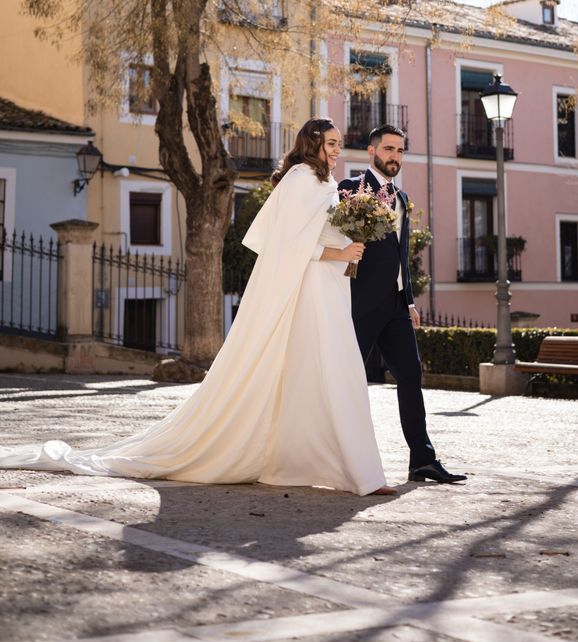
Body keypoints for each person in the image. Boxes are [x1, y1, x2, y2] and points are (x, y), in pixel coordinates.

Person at [0, 119, 394, 497]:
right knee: (334, 370)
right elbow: (287, 243)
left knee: (329, 373)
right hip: (309, 289)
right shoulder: (301, 179)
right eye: (331, 143)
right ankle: (359, 473)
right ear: (312, 144)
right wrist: (338, 251)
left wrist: (349, 246)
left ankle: (324, 465)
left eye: (339, 143)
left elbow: (317, 232)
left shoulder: (324, 181)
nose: (338, 149)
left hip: (329, 288)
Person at [338, 125, 467, 485]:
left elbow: (401, 255)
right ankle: (339, 457)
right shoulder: (350, 189)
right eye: (389, 149)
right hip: (359, 302)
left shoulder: (402, 197)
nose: (396, 156)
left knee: (411, 375)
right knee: (346, 380)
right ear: (371, 151)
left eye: (401, 150)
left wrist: (408, 299)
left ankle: (422, 460)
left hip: (395, 305)